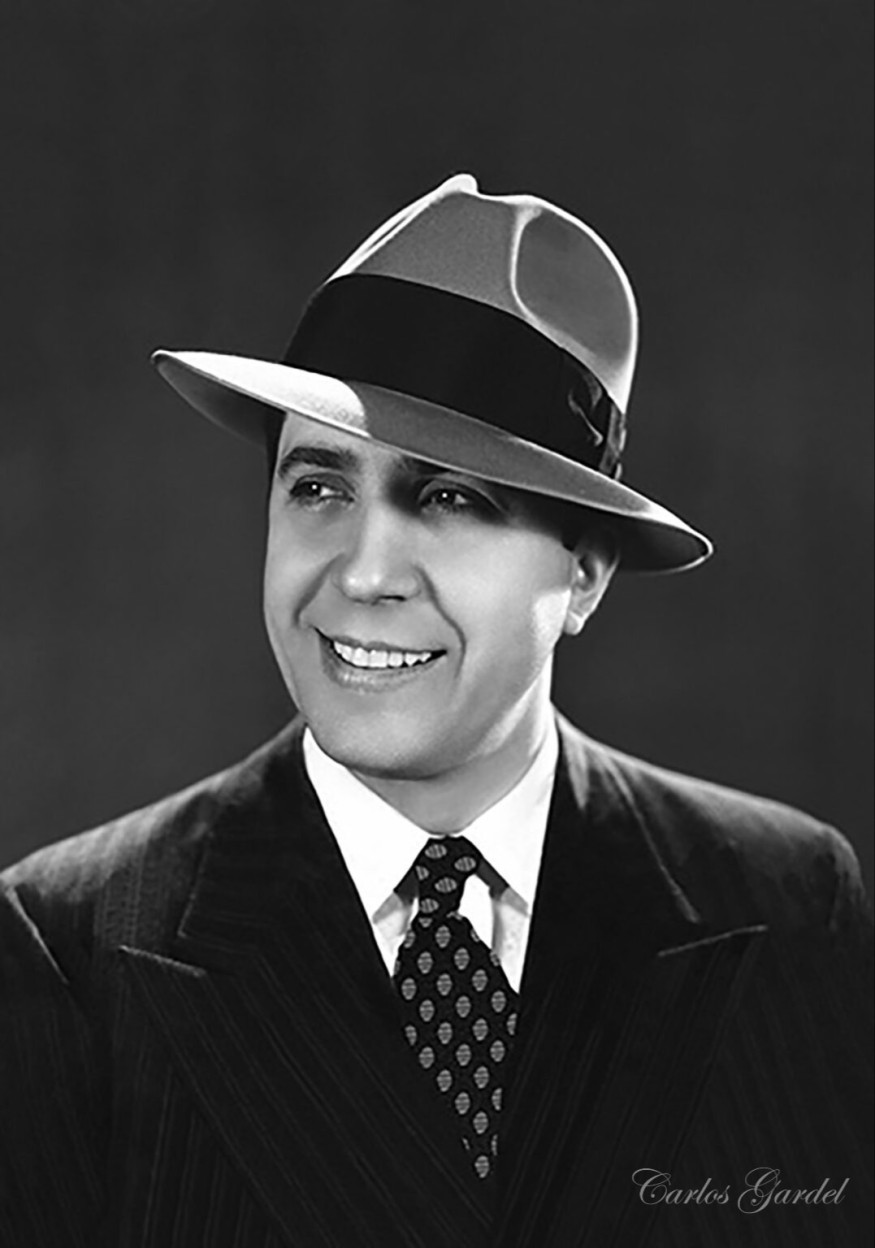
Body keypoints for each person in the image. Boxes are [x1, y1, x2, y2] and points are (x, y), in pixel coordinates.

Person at [0, 174, 871, 1248]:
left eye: (451, 496)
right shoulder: (70, 949)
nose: (364, 573)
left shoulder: (786, 902)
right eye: (319, 487)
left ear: (585, 572)